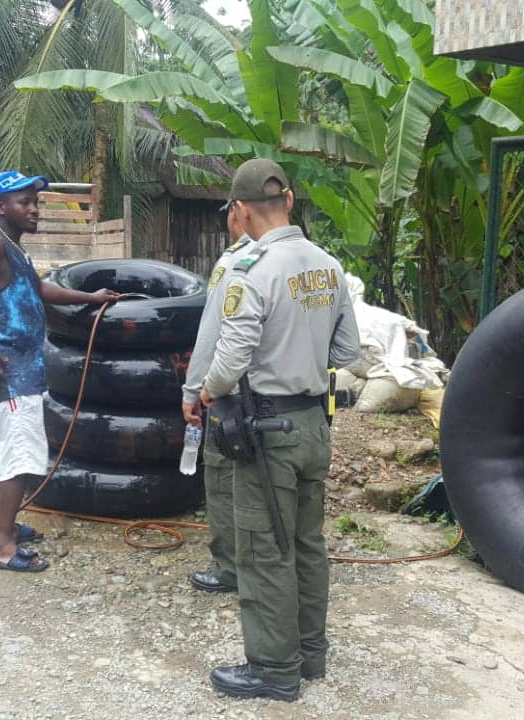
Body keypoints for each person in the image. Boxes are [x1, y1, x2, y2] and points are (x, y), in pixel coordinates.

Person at [199, 159, 360, 701]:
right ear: (289, 200)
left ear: (240, 211)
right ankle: (310, 655)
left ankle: (273, 668)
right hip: (316, 422)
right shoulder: (329, 266)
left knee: (266, 548)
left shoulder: (254, 272)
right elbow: (347, 353)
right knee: (308, 544)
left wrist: (206, 393)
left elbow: (230, 358)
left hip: (269, 430)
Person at [0, 170, 120, 572]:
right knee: (18, 456)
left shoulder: (12, 246)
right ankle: (1, 546)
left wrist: (90, 296)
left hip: (21, 370)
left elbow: (39, 289)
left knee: (6, 452)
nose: (34, 209)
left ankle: (7, 526)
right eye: (24, 202)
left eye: (36, 202)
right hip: (7, 372)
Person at [182, 206, 256, 594]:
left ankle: (231, 570)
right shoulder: (308, 260)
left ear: (236, 215)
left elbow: (212, 335)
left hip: (233, 397)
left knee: (225, 481)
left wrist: (194, 391)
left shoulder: (234, 264)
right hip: (290, 401)